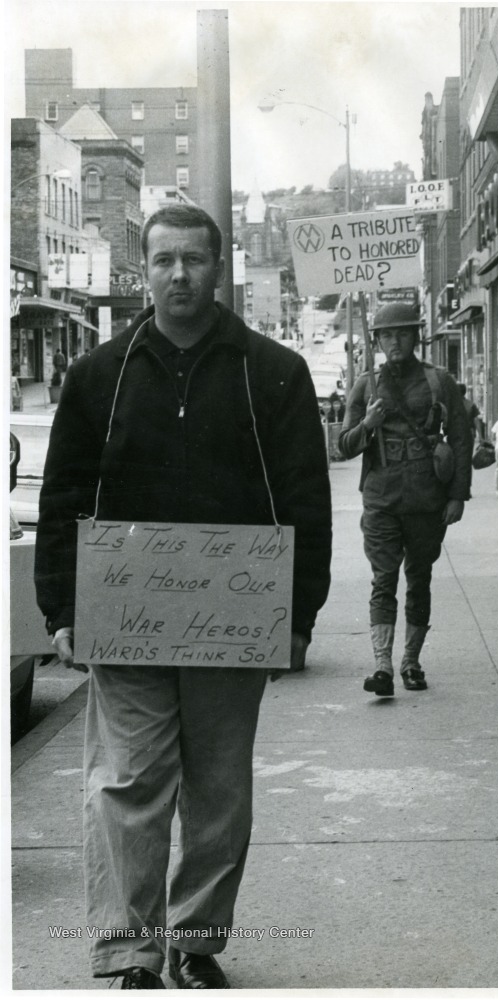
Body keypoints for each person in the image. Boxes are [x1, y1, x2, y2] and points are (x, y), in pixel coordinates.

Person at [34, 205, 332, 989]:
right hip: (123, 619)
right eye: (163, 260)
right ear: (143, 270)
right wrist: (62, 608)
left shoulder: (273, 372)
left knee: (218, 791)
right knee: (125, 783)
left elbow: (305, 500)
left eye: (194, 260)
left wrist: (298, 618)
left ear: (219, 266)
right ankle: (130, 953)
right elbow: (64, 494)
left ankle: (195, 942)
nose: (178, 275)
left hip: (232, 624)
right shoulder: (100, 374)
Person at [338, 302, 472, 697]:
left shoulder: (438, 381)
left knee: (420, 578)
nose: (394, 342)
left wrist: (457, 495)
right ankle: (382, 666)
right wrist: (369, 423)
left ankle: (411, 662)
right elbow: (343, 446)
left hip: (427, 496)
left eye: (402, 334)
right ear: (377, 341)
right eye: (386, 335)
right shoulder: (365, 385)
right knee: (383, 579)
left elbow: (461, 439)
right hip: (381, 497)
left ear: (416, 337)